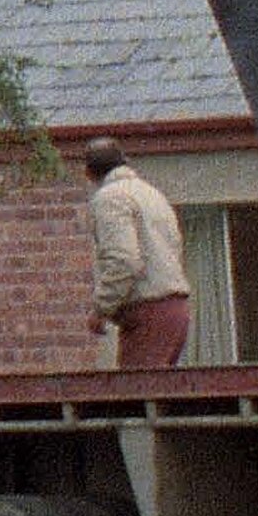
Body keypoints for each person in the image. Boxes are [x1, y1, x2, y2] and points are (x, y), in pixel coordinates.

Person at [83, 138, 191, 373]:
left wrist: (101, 309)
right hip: (176, 308)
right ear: (125, 161)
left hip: (148, 310)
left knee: (135, 399)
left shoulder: (109, 199)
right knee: (158, 399)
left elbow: (124, 261)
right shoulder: (152, 194)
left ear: (89, 173)